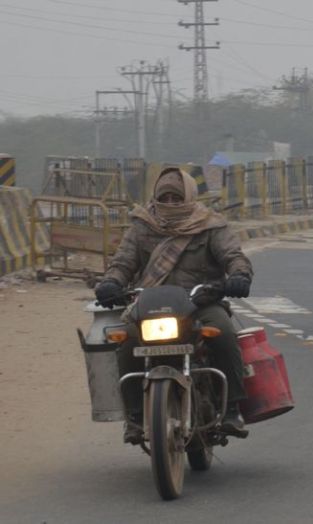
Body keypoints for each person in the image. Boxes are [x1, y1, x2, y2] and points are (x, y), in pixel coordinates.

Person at [94, 167, 253, 443]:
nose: (169, 203)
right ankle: (133, 417)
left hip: (200, 303)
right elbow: (123, 263)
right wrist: (110, 283)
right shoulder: (142, 226)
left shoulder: (211, 226)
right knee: (127, 342)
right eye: (164, 197)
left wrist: (239, 275)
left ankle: (231, 409)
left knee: (225, 335)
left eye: (176, 197)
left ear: (189, 196)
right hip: (151, 305)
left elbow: (233, 256)